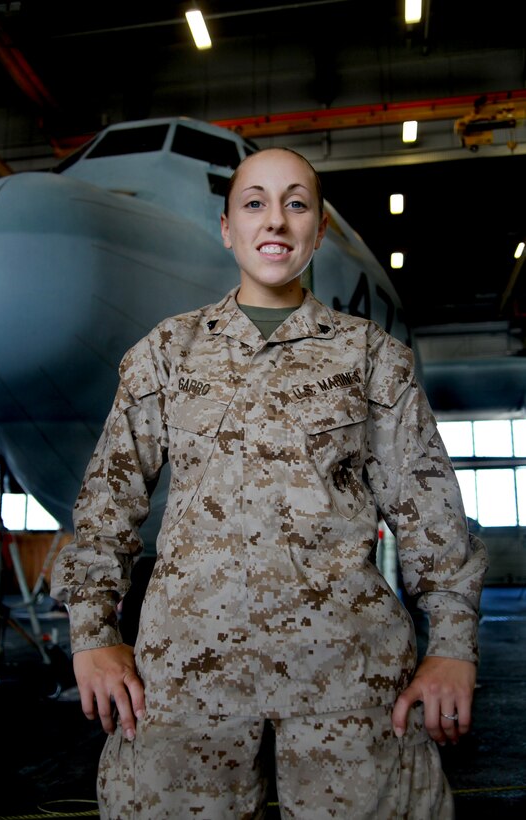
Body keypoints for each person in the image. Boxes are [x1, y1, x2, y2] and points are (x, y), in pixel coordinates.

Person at [51, 147, 488, 819]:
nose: (274, 222)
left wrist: (451, 647)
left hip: (346, 680)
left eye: (295, 203)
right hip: (187, 685)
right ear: (226, 228)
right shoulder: (167, 353)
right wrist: (93, 633)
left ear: (315, 228)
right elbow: (107, 502)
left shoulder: (371, 358)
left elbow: (428, 510)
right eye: (253, 203)